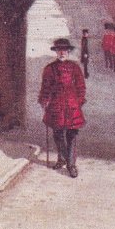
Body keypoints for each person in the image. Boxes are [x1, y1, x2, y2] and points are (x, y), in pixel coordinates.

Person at [39, 38, 86, 178]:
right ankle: (62, 158)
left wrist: (78, 101)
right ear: (56, 52)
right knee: (58, 134)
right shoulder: (49, 69)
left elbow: (81, 87)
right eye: (59, 50)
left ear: (68, 51)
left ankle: (71, 165)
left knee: (71, 135)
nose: (62, 53)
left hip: (72, 105)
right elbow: (45, 88)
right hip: (56, 105)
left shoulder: (75, 68)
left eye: (64, 50)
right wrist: (44, 100)